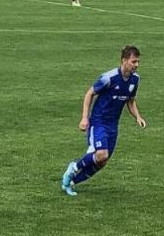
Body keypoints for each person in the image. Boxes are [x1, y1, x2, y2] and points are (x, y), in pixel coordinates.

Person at [61, 45, 147, 196]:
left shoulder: (135, 80)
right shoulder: (109, 78)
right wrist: (84, 118)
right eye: (134, 61)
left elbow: (131, 101)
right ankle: (74, 166)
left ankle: (71, 182)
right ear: (124, 61)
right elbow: (89, 94)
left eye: (138, 62)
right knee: (102, 154)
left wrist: (138, 117)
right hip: (98, 121)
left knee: (102, 162)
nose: (137, 65)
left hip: (113, 125)